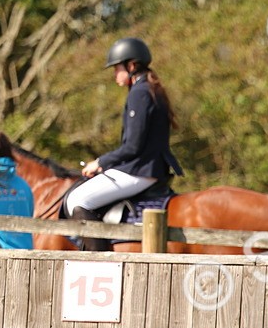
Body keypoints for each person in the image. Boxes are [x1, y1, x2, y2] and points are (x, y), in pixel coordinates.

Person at [65, 37, 183, 251]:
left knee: (78, 199)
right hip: (146, 167)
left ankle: (100, 262)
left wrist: (100, 162)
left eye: (117, 68)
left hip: (140, 170)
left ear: (131, 66)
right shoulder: (150, 88)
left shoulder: (139, 93)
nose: (114, 74)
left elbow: (133, 147)